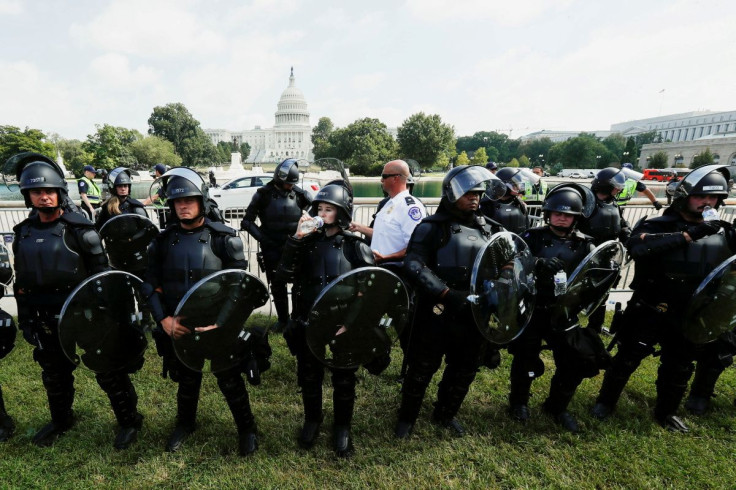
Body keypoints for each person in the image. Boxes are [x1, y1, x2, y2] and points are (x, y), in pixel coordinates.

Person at [591, 165, 736, 432]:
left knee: (680, 365)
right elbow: (638, 248)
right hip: (651, 306)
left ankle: (666, 412)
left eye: (713, 198)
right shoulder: (656, 224)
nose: (707, 203)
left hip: (691, 311)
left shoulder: (723, 232)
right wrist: (688, 235)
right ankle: (605, 402)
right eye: (701, 196)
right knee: (627, 358)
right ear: (684, 196)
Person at [12, 155, 143, 449]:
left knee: (109, 371)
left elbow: (105, 279)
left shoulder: (81, 230)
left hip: (85, 315)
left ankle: (129, 420)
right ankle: (61, 420)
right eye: (36, 192)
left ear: (60, 193)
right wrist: (27, 320)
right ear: (28, 196)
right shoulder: (23, 233)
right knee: (54, 374)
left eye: (49, 191)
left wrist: (113, 321)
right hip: (44, 315)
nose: (43, 197)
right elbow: (22, 282)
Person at [141, 167, 259, 455]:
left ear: (202, 201)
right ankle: (185, 423)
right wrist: (163, 320)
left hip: (218, 326)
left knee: (230, 380)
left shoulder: (224, 239)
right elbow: (149, 284)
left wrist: (222, 324)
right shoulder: (163, 241)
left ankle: (247, 429)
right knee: (187, 380)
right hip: (178, 325)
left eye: (189, 200)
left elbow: (239, 288)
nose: (183, 206)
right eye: (177, 201)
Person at [395, 165, 505, 439]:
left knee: (464, 368)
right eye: (469, 193)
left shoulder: (490, 228)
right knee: (421, 368)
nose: (475, 198)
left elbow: (506, 260)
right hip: (437, 308)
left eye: (479, 194)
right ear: (452, 193)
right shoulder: (432, 227)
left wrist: (506, 275)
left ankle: (445, 414)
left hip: (474, 311)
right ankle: (406, 419)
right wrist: (445, 293)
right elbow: (414, 263)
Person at [277, 180, 375, 457]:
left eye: (329, 209)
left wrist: (352, 323)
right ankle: (312, 419)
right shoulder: (305, 243)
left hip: (343, 323)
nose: (322, 213)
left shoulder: (356, 246)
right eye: (319, 208)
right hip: (310, 320)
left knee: (344, 379)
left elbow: (369, 290)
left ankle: (342, 427)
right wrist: (296, 239)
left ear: (342, 212)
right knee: (310, 375)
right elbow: (283, 276)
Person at [507, 184, 599, 432]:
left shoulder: (586, 245)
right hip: (534, 307)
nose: (562, 217)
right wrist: (537, 262)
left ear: (576, 218)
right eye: (557, 213)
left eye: (568, 214)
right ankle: (518, 402)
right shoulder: (532, 236)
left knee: (573, 360)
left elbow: (593, 277)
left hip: (565, 312)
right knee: (525, 358)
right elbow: (512, 264)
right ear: (548, 213)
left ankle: (557, 406)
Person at [241, 159, 312, 332]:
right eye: (287, 183)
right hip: (272, 247)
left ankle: (296, 317)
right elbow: (247, 222)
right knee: (277, 284)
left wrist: (307, 225)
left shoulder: (300, 195)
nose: (289, 186)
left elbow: (315, 213)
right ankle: (282, 319)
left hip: (295, 246)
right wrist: (264, 239)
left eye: (291, 184)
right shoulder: (262, 194)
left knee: (299, 284)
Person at [577, 168, 632, 333]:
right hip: (584, 255)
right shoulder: (586, 201)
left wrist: (628, 236)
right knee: (577, 293)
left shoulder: (614, 202)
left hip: (607, 255)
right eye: (617, 186)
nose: (620, 189)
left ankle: (595, 326)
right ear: (607, 185)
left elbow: (621, 224)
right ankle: (568, 324)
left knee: (603, 294)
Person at [480, 167, 532, 234]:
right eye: (515, 185)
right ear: (503, 186)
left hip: (518, 242)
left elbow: (527, 227)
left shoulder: (519, 203)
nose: (518, 188)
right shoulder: (487, 204)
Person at [142, 163, 169, 228]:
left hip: (164, 211)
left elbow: (154, 196)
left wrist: (141, 204)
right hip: (166, 210)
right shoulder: (167, 179)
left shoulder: (163, 182)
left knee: (164, 229)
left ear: (157, 172)